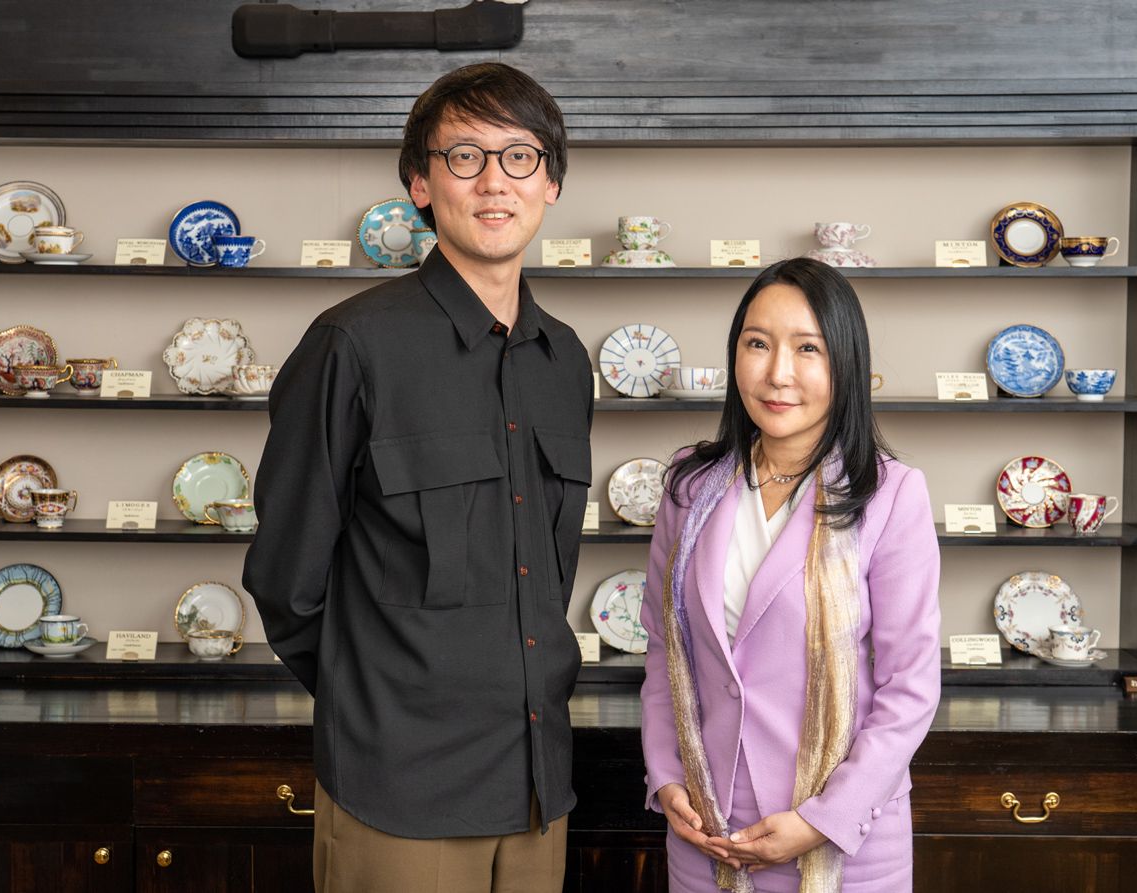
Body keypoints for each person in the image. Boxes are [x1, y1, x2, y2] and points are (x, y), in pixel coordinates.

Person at [242, 62, 593, 893]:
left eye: (520, 156)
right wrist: (376, 702)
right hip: (399, 786)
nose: (495, 181)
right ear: (420, 184)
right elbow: (286, 579)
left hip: (537, 781)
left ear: (550, 183)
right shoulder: (352, 344)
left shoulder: (565, 360)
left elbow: (549, 575)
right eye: (465, 157)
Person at [639, 258, 941, 893]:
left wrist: (821, 820)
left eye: (808, 349)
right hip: (707, 828)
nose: (778, 373)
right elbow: (666, 652)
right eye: (758, 344)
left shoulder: (890, 494)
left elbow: (910, 686)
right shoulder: (689, 485)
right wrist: (666, 778)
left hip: (842, 839)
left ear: (846, 364)